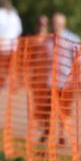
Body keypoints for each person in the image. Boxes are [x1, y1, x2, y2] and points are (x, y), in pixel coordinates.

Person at [49, 12, 81, 146]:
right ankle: (49, 134)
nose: (55, 26)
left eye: (57, 23)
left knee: (64, 110)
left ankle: (62, 134)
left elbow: (80, 59)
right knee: (50, 109)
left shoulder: (72, 39)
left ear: (63, 24)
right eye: (54, 23)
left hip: (67, 81)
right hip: (50, 81)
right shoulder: (48, 39)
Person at [27, 15, 52, 144]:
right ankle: (43, 130)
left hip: (48, 78)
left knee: (49, 107)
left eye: (44, 24)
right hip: (37, 77)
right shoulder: (33, 40)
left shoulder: (49, 40)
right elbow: (29, 59)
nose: (41, 27)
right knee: (39, 106)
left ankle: (52, 133)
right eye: (39, 24)